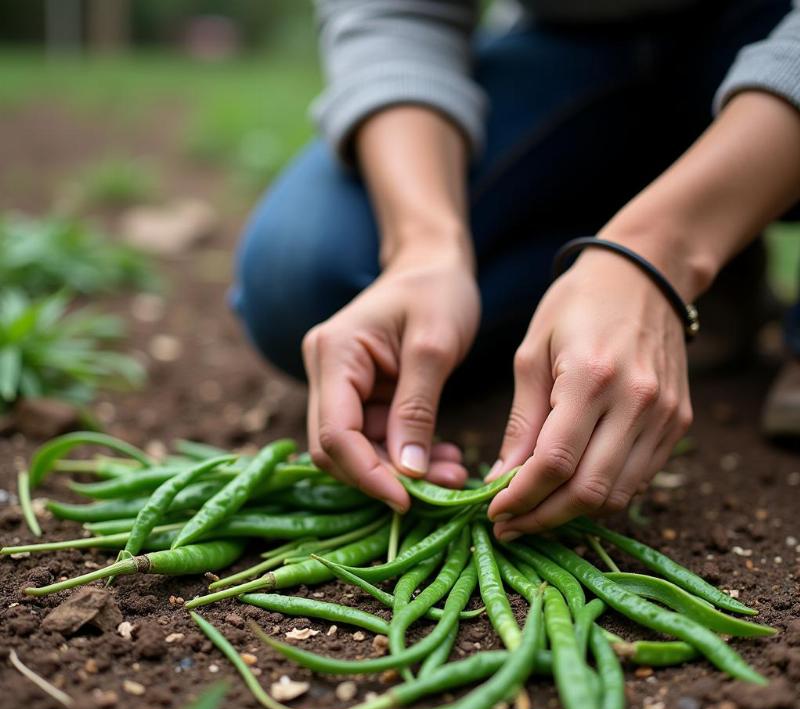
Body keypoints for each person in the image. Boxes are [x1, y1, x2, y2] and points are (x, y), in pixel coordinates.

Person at [233, 0, 800, 542]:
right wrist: (424, 248)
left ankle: (702, 238)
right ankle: (668, 263)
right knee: (301, 277)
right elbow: (392, 13)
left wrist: (661, 256)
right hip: (570, 46)